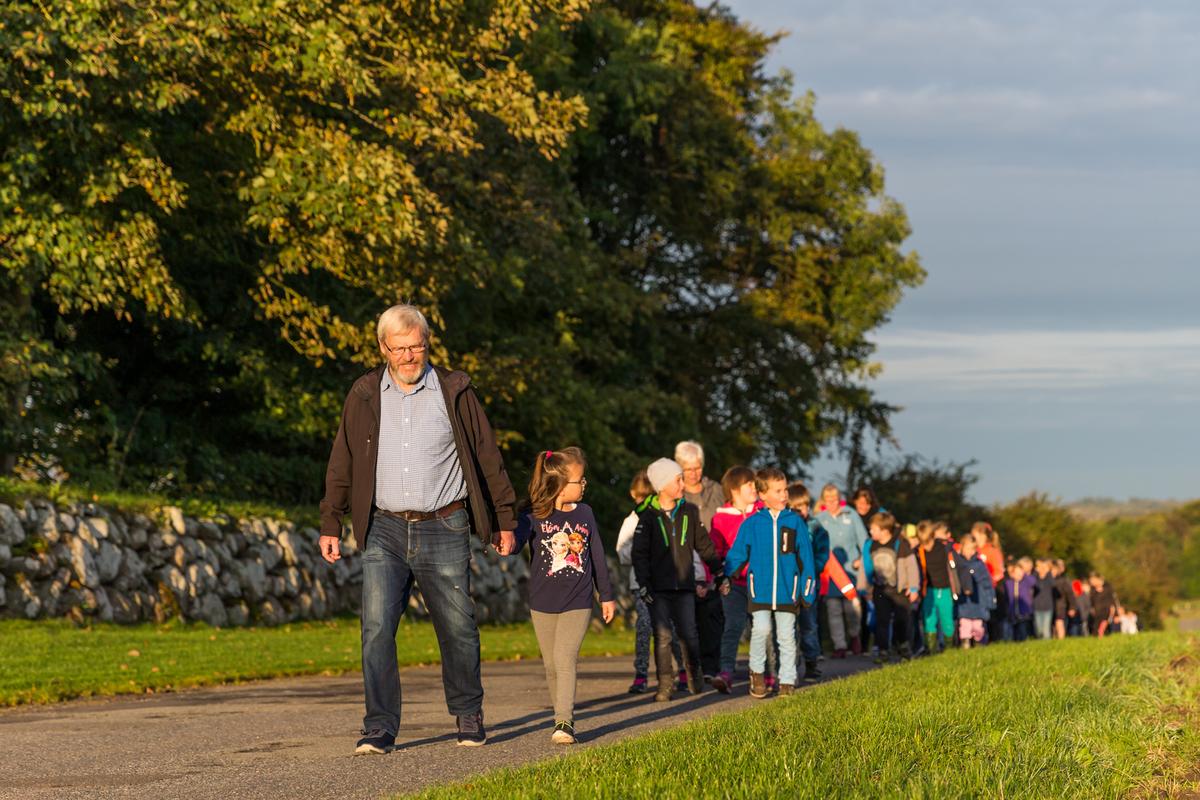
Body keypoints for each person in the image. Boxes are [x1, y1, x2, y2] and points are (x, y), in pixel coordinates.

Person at [318, 304, 517, 754]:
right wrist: (332, 518)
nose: (409, 356)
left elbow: (488, 457)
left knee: (458, 627)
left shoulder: (455, 390)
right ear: (383, 348)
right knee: (375, 629)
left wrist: (505, 517)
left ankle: (468, 711)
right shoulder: (365, 393)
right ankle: (379, 726)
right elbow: (342, 460)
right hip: (382, 529)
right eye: (400, 348)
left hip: (444, 523)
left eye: (417, 346)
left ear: (427, 344)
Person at [513, 448, 616, 744]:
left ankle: (564, 722)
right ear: (559, 484)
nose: (584, 485)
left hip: (578, 600)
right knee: (550, 664)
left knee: (565, 657)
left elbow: (597, 556)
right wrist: (505, 538)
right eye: (580, 480)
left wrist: (605, 595)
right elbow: (516, 542)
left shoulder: (586, 514)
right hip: (542, 602)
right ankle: (560, 713)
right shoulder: (532, 515)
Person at [632, 458, 725, 702]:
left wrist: (719, 570)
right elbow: (639, 554)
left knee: (689, 633)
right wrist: (644, 584)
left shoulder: (689, 512)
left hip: (684, 586)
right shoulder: (648, 517)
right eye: (678, 480)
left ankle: (695, 675)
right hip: (658, 588)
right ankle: (665, 684)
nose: (683, 484)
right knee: (662, 636)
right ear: (662, 485)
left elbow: (704, 545)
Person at [724, 468, 816, 698]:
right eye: (778, 490)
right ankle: (757, 673)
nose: (784, 494)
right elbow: (737, 553)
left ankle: (786, 680)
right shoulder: (753, 523)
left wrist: (806, 590)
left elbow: (806, 558)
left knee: (786, 636)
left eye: (785, 489)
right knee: (761, 630)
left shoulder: (795, 522)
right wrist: (726, 575)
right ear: (762, 494)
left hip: (788, 591)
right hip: (760, 591)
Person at [616, 471, 684, 694]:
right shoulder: (633, 520)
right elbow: (621, 551)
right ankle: (641, 673)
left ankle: (683, 669)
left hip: (666, 583)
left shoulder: (665, 518)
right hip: (641, 584)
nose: (643, 502)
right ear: (633, 496)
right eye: (639, 498)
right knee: (644, 627)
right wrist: (641, 553)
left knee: (671, 628)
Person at [790, 483, 856, 683]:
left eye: (804, 506)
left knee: (809, 624)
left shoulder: (816, 527)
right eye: (796, 507)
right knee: (789, 626)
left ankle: (811, 662)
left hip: (810, 583)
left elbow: (822, 555)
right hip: (789, 583)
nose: (801, 511)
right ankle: (789, 665)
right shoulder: (785, 526)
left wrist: (810, 567)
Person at [709, 466, 761, 694]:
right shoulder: (720, 518)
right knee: (732, 627)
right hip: (735, 584)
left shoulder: (761, 512)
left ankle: (766, 672)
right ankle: (727, 672)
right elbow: (716, 552)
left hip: (761, 583)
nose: (754, 488)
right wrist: (720, 577)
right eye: (749, 484)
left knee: (762, 630)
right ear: (734, 489)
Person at [814, 485, 868, 658]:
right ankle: (840, 645)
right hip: (829, 573)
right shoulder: (819, 519)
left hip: (850, 570)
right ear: (823, 501)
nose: (831, 504)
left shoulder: (850, 515)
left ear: (840, 499)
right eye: (828, 500)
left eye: (834, 500)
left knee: (852, 608)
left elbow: (864, 540)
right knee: (833, 610)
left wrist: (861, 559)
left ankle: (854, 635)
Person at [862, 511, 919, 663]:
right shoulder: (870, 545)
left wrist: (913, 587)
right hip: (880, 589)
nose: (871, 532)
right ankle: (883, 651)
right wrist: (865, 588)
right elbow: (866, 566)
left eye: (874, 529)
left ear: (884, 530)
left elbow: (911, 566)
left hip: (900, 589)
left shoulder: (900, 543)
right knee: (882, 620)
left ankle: (903, 647)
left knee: (901, 620)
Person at [917, 522, 960, 654]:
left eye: (927, 541)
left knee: (947, 621)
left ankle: (949, 649)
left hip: (946, 590)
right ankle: (931, 650)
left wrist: (957, 589)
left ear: (932, 536)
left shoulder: (944, 548)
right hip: (929, 590)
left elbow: (954, 568)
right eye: (923, 542)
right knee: (929, 620)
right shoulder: (919, 551)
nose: (926, 545)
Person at [953, 534, 995, 649]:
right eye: (968, 548)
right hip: (964, 602)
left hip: (978, 601)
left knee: (978, 626)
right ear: (962, 547)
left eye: (973, 549)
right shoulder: (957, 563)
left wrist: (990, 600)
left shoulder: (979, 564)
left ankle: (978, 642)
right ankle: (965, 643)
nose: (971, 552)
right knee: (965, 625)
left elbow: (987, 583)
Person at [1001, 560, 1034, 642]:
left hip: (1023, 613)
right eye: (1016, 573)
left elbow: (1033, 582)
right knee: (1013, 632)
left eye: (1020, 573)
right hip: (1012, 612)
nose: (1018, 575)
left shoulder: (1025, 582)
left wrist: (1024, 574)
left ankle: (1023, 643)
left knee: (1023, 630)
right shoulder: (1008, 583)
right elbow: (1005, 597)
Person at [1032, 558, 1056, 640]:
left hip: (1048, 607)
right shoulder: (1036, 578)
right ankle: (1040, 643)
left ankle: (1047, 646)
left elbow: (1053, 584)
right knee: (1039, 630)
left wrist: (1048, 572)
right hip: (1037, 607)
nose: (1042, 569)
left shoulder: (1049, 579)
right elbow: (1031, 583)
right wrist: (1036, 572)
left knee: (1046, 630)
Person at [1088, 573, 1117, 637]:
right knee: (1095, 628)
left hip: (1107, 611)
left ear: (1098, 579)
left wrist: (1114, 612)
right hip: (1097, 612)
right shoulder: (1092, 590)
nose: (1091, 582)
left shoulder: (1108, 587)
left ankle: (1102, 634)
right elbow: (1091, 602)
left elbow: (1113, 600)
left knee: (1104, 625)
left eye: (1092, 581)